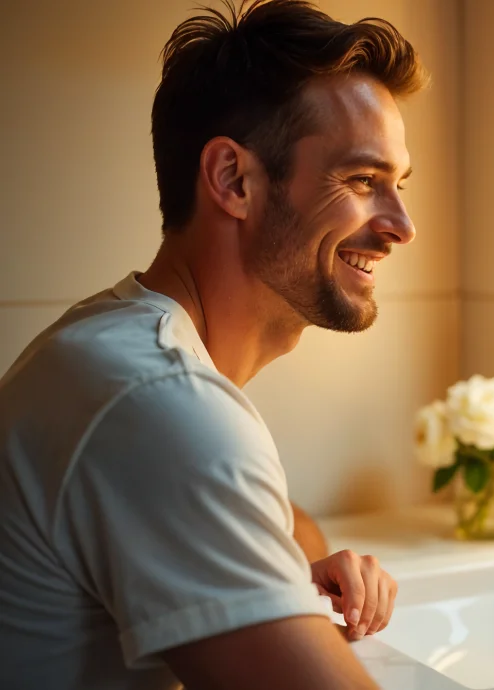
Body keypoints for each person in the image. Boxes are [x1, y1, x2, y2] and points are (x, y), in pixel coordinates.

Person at [0, 1, 427, 688]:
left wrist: (280, 576)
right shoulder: (159, 400)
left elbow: (295, 527)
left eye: (399, 186)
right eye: (363, 180)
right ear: (233, 180)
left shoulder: (115, 345)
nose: (403, 226)